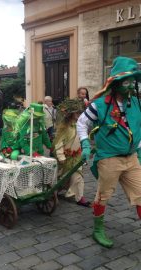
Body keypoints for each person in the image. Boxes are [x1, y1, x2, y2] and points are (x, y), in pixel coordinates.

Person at [77, 56, 141, 248]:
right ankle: (98, 230)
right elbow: (81, 123)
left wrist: (139, 150)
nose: (130, 85)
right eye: (126, 81)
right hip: (109, 159)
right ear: (116, 82)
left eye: (133, 81)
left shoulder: (136, 104)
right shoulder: (100, 105)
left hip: (131, 159)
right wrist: (86, 144)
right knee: (103, 196)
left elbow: (138, 128)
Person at [53, 98, 90, 207]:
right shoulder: (65, 127)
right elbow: (58, 143)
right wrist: (61, 157)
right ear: (71, 114)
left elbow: (82, 140)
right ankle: (56, 191)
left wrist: (84, 152)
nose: (79, 114)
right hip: (66, 157)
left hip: (77, 156)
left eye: (80, 112)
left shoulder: (81, 125)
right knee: (62, 177)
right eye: (77, 112)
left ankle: (80, 197)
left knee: (78, 176)